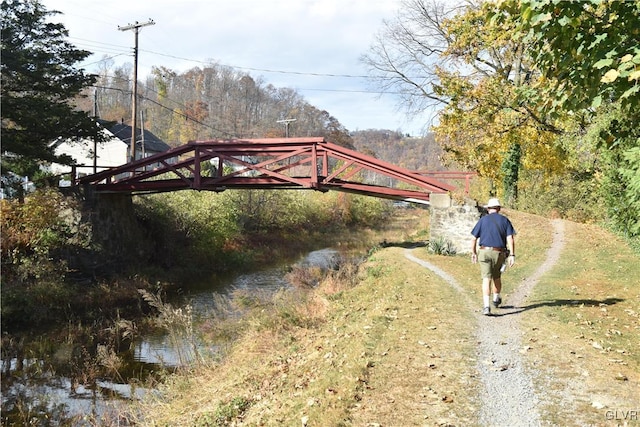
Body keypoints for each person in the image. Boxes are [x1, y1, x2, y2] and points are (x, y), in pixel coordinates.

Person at [470, 198, 516, 315]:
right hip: (498, 253)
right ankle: (496, 298)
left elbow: (474, 238)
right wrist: (512, 254)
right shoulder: (505, 220)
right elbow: (510, 238)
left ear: (488, 209)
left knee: (486, 278)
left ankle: (486, 306)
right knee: (496, 276)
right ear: (499, 209)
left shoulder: (483, 220)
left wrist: (473, 253)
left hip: (484, 252)